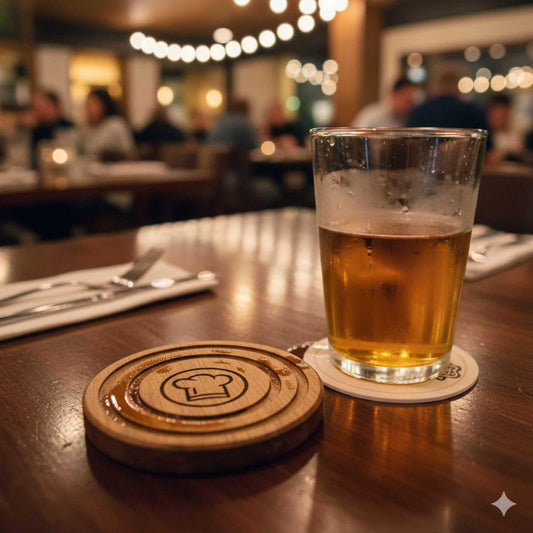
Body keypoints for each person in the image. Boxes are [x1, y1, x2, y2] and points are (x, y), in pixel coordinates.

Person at [81, 89, 134, 160]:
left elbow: (128, 153)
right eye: (87, 105)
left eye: (92, 104)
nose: (88, 109)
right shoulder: (87, 128)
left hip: (115, 168)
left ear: (104, 105)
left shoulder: (115, 124)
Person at [29, 90, 74, 167]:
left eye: (41, 107)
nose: (37, 111)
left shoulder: (68, 127)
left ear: (54, 106)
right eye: (35, 108)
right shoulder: (36, 129)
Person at [351, 77, 418, 128]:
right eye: (407, 101)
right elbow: (355, 142)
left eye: (412, 102)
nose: (411, 106)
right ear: (395, 95)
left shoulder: (406, 119)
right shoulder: (371, 116)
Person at [486, 94, 524, 161]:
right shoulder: (486, 135)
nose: (498, 118)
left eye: (502, 114)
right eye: (495, 114)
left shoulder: (520, 131)